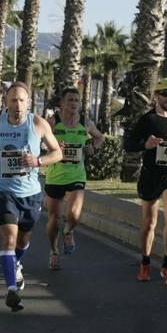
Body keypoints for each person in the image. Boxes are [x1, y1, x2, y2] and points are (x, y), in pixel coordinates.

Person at [0, 82, 62, 311]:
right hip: (3, 190)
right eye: (13, 100)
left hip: (30, 193)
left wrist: (38, 161)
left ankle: (14, 263)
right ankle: (12, 290)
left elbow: (57, 153)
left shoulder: (38, 124)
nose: (17, 104)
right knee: (9, 238)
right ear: (6, 102)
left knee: (23, 240)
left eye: (22, 100)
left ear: (29, 102)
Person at [123, 77, 167, 286]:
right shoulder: (148, 120)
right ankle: (145, 263)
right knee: (149, 223)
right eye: (164, 94)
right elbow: (129, 144)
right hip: (151, 175)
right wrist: (145, 145)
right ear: (156, 95)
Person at [43, 87, 105, 271]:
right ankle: (54, 252)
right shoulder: (52, 122)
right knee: (53, 218)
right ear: (62, 103)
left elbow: (100, 137)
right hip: (55, 176)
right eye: (70, 100)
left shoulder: (85, 122)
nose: (74, 103)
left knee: (74, 214)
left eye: (77, 100)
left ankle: (68, 230)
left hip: (77, 174)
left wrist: (93, 148)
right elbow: (39, 140)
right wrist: (53, 145)